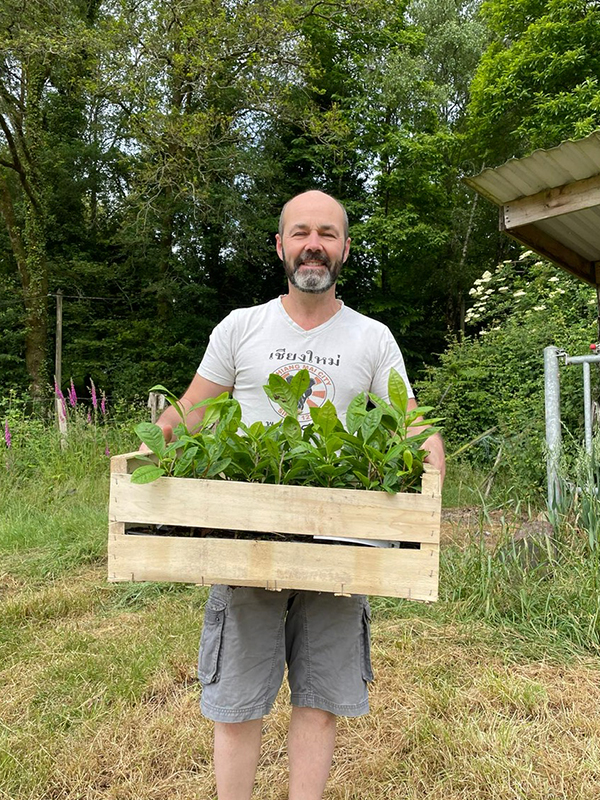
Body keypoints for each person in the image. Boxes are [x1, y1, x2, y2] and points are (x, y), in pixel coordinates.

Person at [144, 190, 445, 800]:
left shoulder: (373, 338)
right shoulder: (242, 326)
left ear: (345, 250)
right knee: (236, 698)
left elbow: (408, 422)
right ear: (279, 245)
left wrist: (430, 458)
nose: (314, 244)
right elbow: (192, 413)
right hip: (247, 535)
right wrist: (147, 457)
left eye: (328, 234)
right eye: (301, 232)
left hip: (341, 539)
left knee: (321, 696)